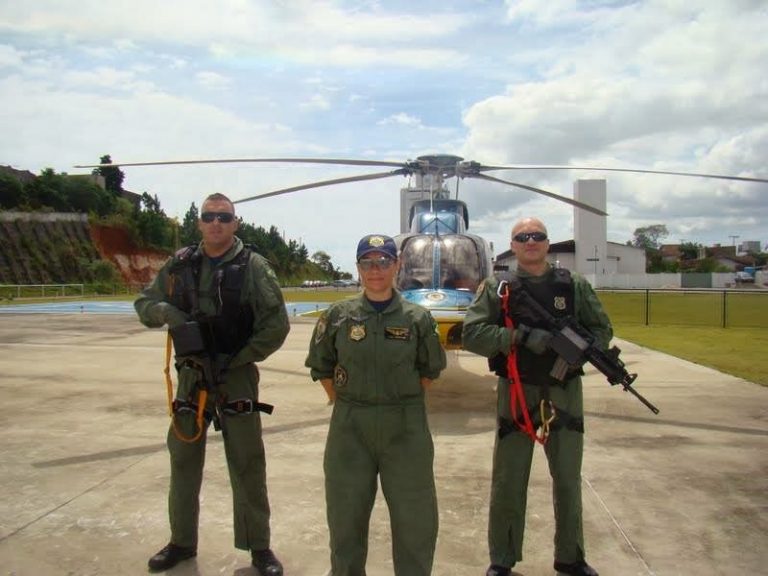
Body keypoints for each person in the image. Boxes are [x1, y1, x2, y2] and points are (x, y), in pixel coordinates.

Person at [134, 193, 290, 575]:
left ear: (235, 223)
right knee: (183, 459)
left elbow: (276, 325)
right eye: (209, 216)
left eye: (223, 217)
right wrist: (168, 312)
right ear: (199, 223)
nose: (216, 223)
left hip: (235, 375)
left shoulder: (253, 267)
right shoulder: (180, 264)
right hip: (191, 375)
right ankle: (181, 542)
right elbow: (144, 304)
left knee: (247, 461)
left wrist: (239, 357)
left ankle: (259, 548)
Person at [462, 217, 612, 576]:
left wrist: (573, 350)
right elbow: (472, 334)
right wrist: (519, 337)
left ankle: (571, 557)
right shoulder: (498, 287)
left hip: (565, 391)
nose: (531, 241)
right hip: (517, 391)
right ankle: (502, 559)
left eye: (538, 236)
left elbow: (602, 330)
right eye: (522, 237)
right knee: (508, 479)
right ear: (512, 245)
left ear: (547, 243)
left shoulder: (573, 285)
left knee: (568, 478)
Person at [305, 234, 447, 576]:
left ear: (397, 265)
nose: (375, 270)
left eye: (383, 261)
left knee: (415, 518)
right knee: (345, 516)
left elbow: (430, 370)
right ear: (358, 268)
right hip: (350, 428)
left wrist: (397, 399)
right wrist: (348, 402)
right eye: (367, 263)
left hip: (406, 428)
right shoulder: (338, 316)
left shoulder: (418, 319)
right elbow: (321, 366)